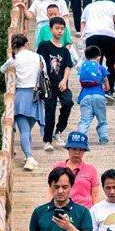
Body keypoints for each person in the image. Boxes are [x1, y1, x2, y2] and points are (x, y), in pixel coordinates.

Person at [1, 33, 46, 172]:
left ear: (14, 46)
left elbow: (2, 69)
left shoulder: (15, 58)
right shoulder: (38, 56)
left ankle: (29, 157)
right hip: (36, 96)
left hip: (21, 96)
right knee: (28, 129)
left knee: (24, 130)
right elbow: (45, 74)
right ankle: (28, 156)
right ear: (26, 44)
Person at [36, 16, 74, 149]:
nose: (60, 31)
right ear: (51, 29)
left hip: (61, 83)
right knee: (50, 111)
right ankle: (47, 141)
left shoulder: (64, 50)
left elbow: (68, 67)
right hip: (48, 84)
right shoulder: (44, 45)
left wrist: (64, 80)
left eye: (62, 29)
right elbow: (39, 63)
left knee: (68, 102)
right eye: (57, 28)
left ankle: (58, 132)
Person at [81, 0, 115, 96]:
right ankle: (109, 90)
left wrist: (85, 39)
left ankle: (95, 89)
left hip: (92, 36)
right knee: (111, 63)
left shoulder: (88, 7)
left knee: (94, 64)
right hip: (109, 36)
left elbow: (83, 26)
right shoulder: (113, 5)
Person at [75, 47, 110, 146]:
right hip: (99, 96)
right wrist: (106, 88)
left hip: (85, 97)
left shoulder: (83, 67)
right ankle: (104, 139)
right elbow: (106, 83)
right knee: (102, 120)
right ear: (98, 57)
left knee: (84, 120)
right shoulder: (100, 67)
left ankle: (80, 139)